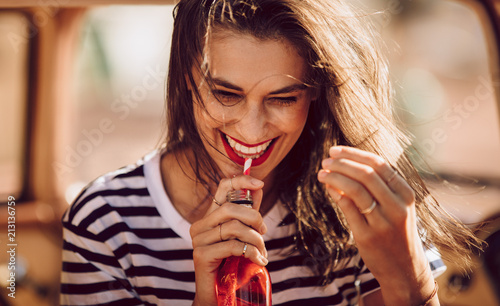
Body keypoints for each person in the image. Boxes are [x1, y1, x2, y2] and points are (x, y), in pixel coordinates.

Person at [60, 0, 482, 305]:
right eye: (226, 93)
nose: (251, 129)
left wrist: (408, 279)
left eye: (283, 99)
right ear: (188, 78)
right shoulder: (105, 221)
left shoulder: (361, 206)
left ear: (315, 93)